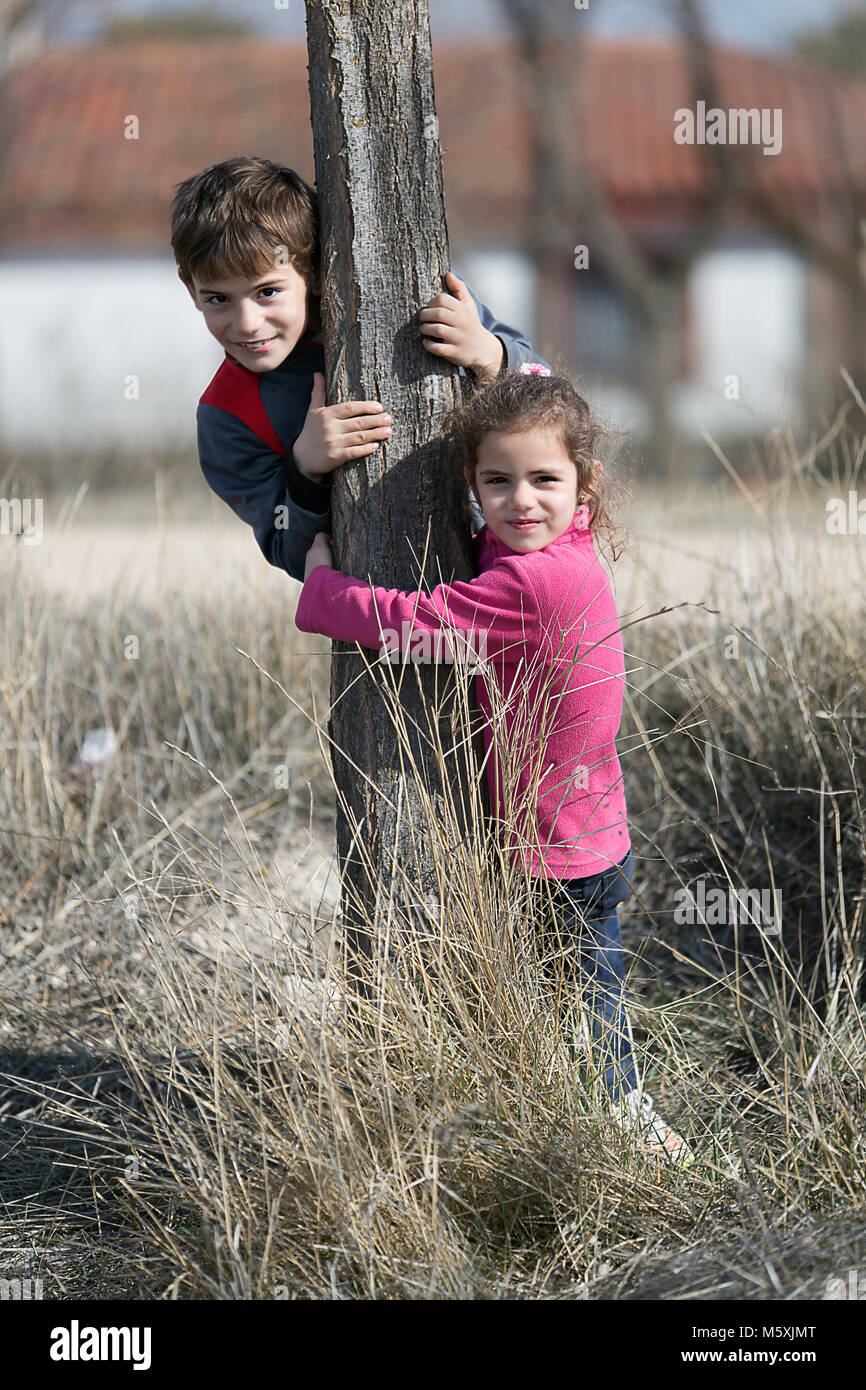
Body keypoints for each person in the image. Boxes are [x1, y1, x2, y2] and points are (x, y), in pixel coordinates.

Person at [295, 369, 695, 1168]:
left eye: (544, 479)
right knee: (573, 990)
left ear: (586, 485)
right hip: (582, 828)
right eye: (497, 481)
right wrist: (492, 357)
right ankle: (570, 1109)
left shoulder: (533, 581)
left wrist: (322, 590)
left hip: (556, 845)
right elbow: (536, 400)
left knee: (585, 1000)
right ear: (472, 484)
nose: (521, 501)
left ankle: (630, 1126)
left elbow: (415, 624)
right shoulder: (564, 550)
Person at [170, 155, 547, 579]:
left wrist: (489, 353)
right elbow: (294, 559)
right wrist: (305, 469)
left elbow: (552, 399)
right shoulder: (227, 419)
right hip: (392, 611)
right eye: (219, 298)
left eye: (267, 292)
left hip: (528, 574)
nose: (246, 323)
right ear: (190, 287)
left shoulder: (415, 293)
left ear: (311, 270)